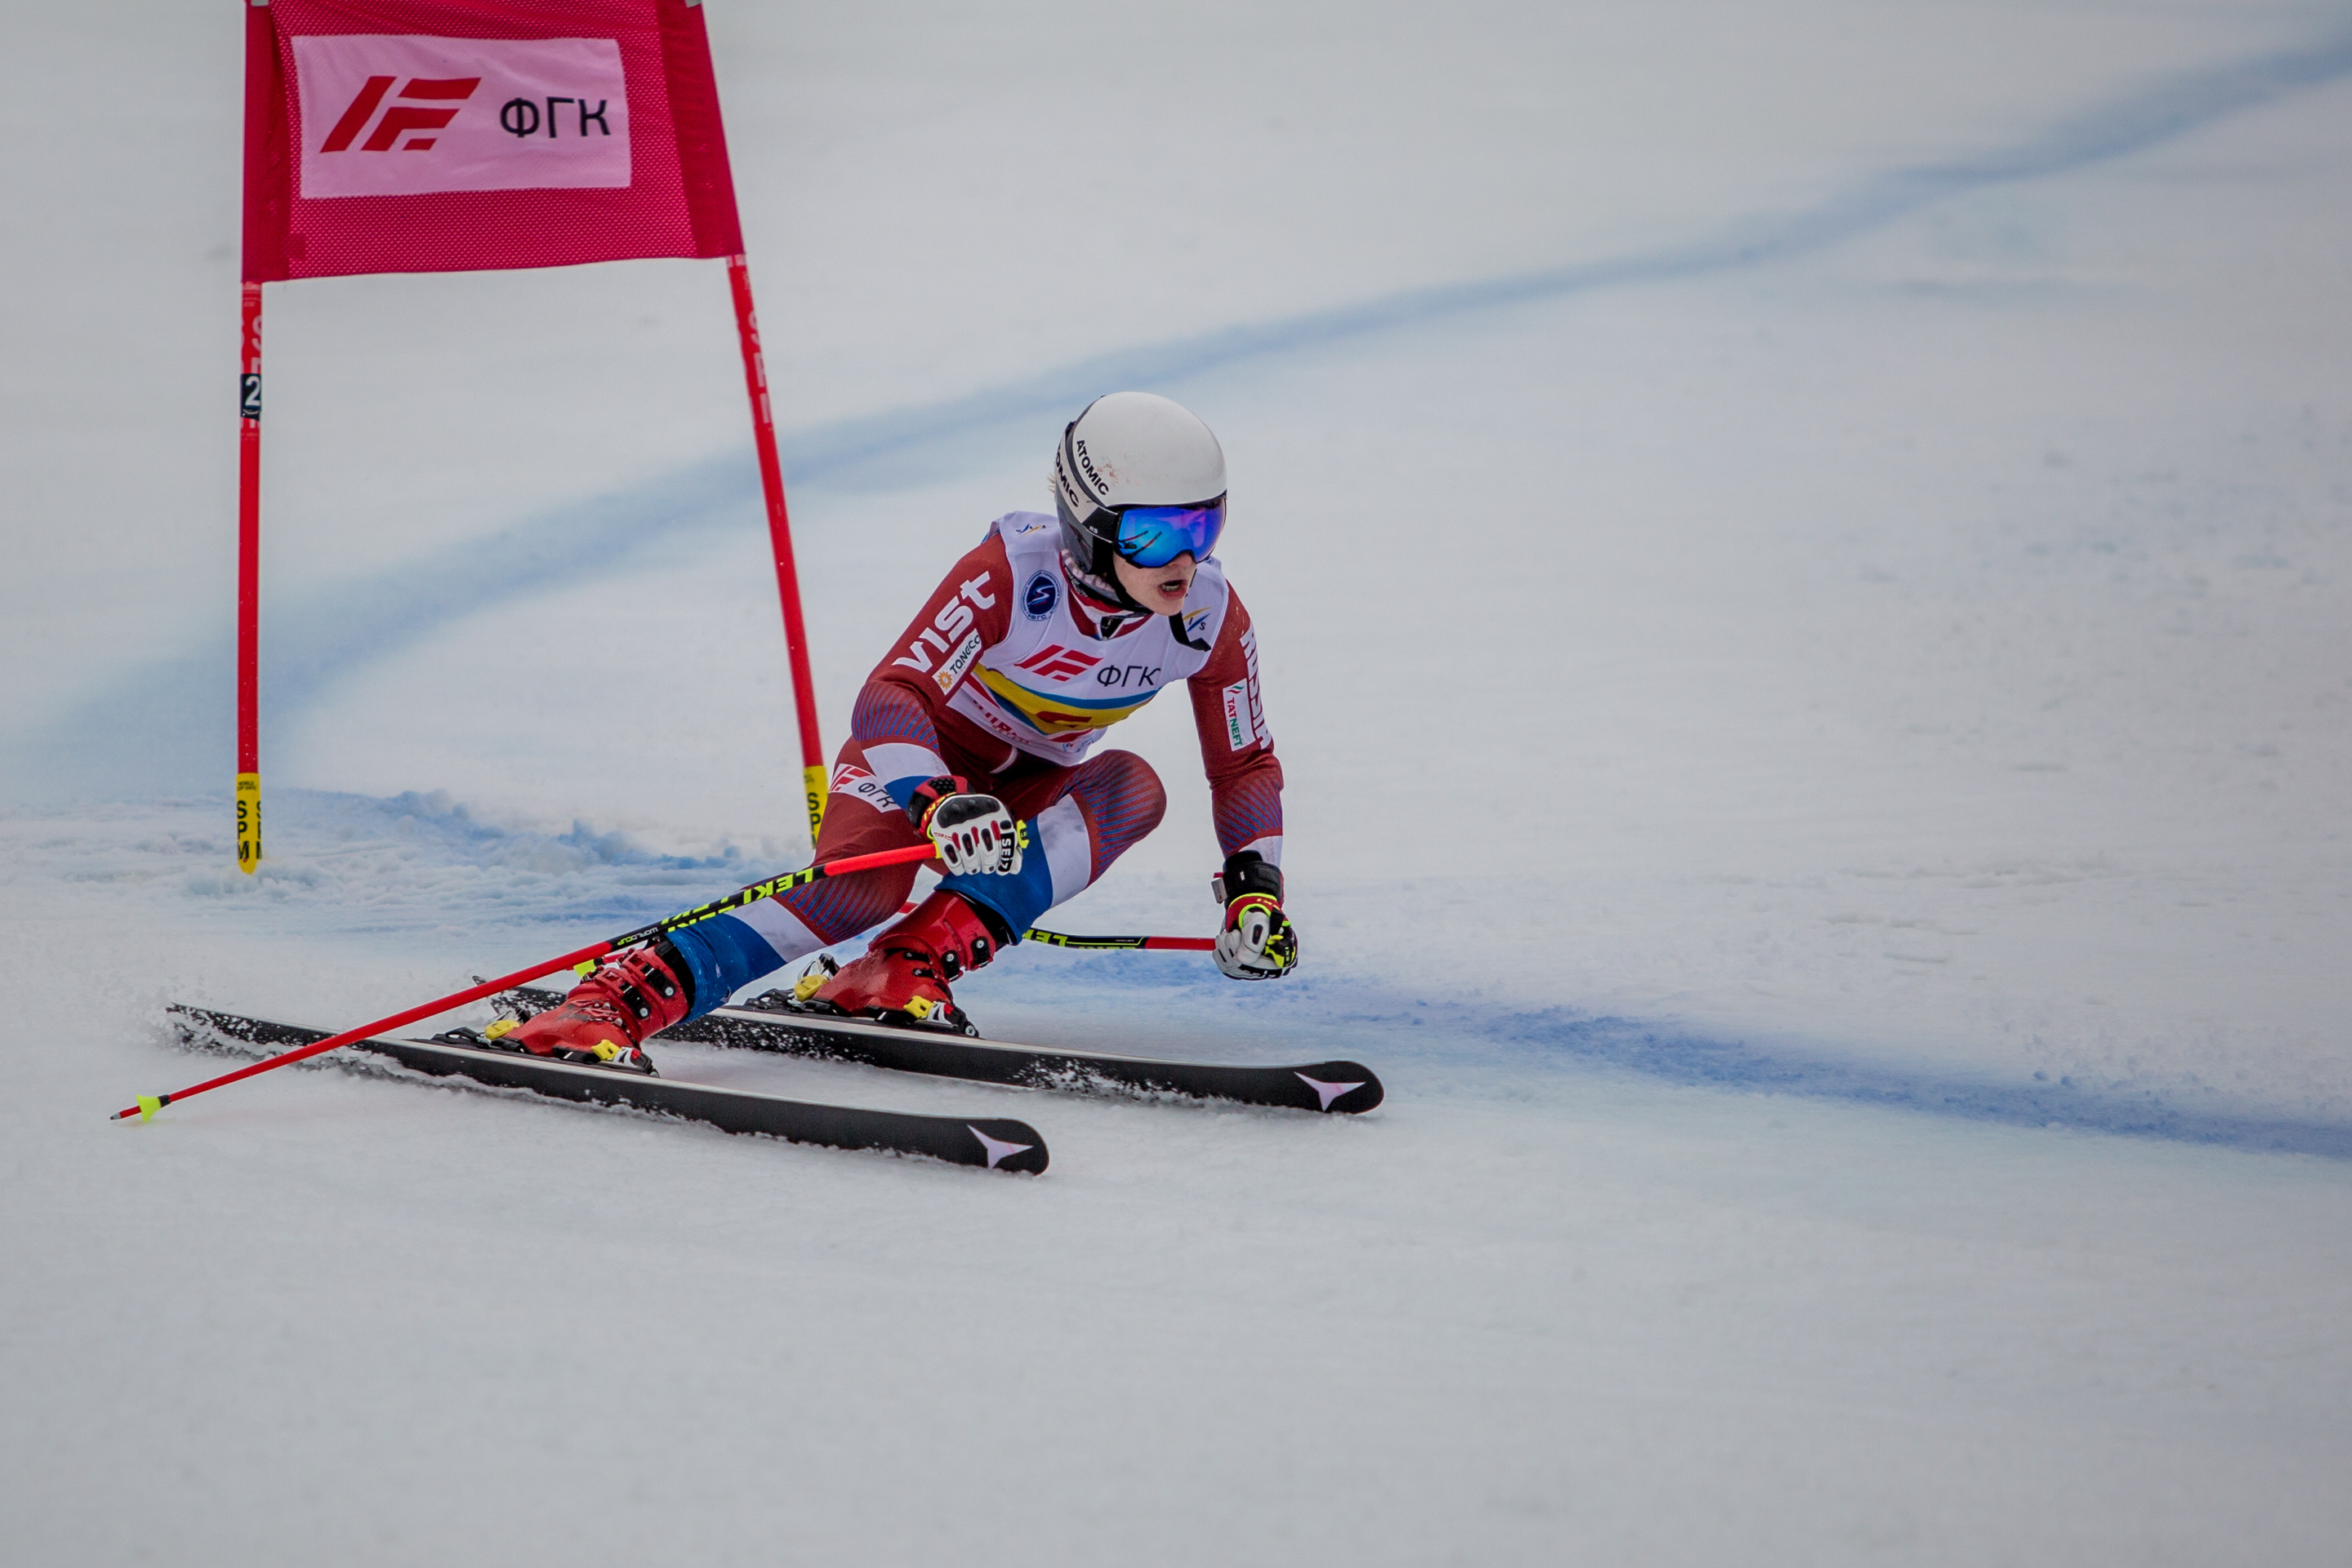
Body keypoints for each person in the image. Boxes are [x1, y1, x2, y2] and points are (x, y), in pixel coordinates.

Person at [509, 391, 1297, 1067]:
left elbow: (1245, 764)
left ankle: (899, 966)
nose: (1185, 559)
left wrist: (1254, 891)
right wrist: (936, 800)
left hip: (1021, 788)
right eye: (1154, 535)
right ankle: (613, 996)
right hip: (916, 770)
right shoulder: (1011, 577)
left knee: (1132, 790)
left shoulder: (1209, 618)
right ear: (1089, 525)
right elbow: (889, 696)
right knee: (860, 888)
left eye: (1203, 528)